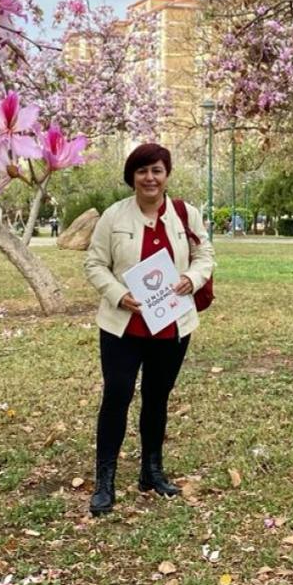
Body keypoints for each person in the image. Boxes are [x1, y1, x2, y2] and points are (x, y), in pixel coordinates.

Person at [83, 143, 215, 516]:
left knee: (157, 398)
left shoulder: (184, 214)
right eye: (142, 171)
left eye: (157, 170)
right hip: (123, 327)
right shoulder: (113, 217)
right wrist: (118, 293)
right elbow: (94, 265)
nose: (150, 178)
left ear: (166, 174)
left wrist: (192, 277)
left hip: (171, 326)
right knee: (117, 397)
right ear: (132, 177)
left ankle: (151, 472)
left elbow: (205, 254)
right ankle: (104, 480)